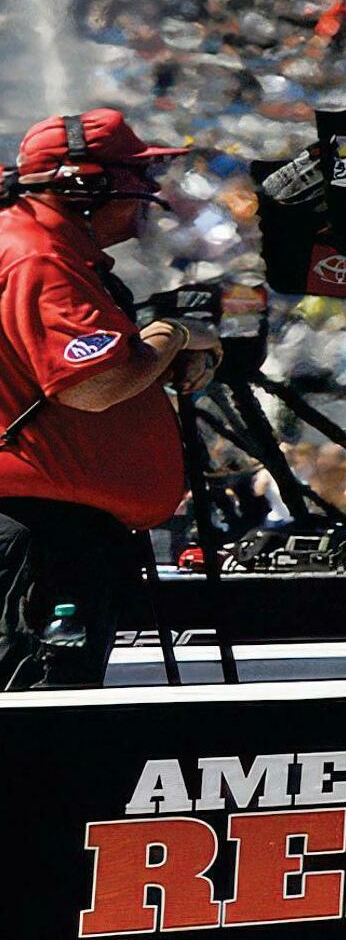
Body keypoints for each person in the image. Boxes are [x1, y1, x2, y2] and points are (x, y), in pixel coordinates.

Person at [0, 110, 217, 689]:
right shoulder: (40, 257)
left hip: (50, 529)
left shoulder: (37, 245)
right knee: (41, 721)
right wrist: (172, 335)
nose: (145, 194)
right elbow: (91, 386)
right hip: (41, 534)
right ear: (83, 186)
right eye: (131, 177)